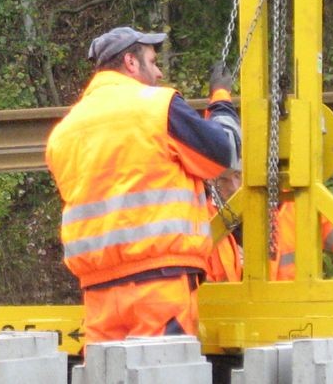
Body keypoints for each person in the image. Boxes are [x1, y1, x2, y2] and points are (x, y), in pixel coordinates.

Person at [45, 26, 241, 344]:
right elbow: (225, 151)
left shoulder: (64, 132)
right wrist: (220, 99)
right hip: (159, 283)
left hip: (98, 291)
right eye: (153, 61)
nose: (160, 71)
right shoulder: (157, 107)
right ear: (131, 62)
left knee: (107, 374)